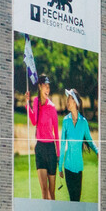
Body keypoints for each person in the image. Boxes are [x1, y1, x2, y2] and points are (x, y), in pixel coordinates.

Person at [56, 89, 95, 203]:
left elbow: (89, 140)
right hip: (67, 167)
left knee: (76, 200)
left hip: (79, 167)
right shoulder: (65, 121)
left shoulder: (83, 122)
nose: (67, 102)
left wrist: (97, 152)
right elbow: (63, 144)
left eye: (70, 99)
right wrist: (60, 167)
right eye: (67, 100)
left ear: (75, 102)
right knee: (72, 199)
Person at [29, 72, 60, 200]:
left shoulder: (52, 108)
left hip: (51, 150)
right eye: (46, 86)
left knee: (51, 193)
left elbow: (56, 133)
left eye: (49, 87)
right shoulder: (35, 101)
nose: (48, 89)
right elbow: (34, 121)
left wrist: (58, 155)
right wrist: (27, 105)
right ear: (40, 86)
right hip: (40, 148)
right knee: (43, 190)